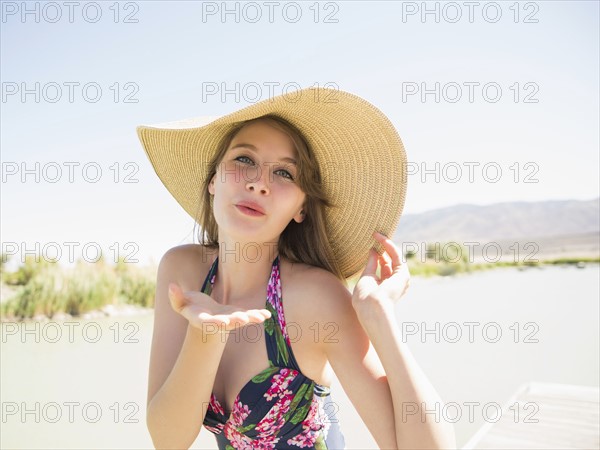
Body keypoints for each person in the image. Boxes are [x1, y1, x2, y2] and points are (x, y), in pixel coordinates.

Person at [137, 87, 456, 449]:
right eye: (244, 160)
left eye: (285, 174)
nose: (259, 182)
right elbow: (167, 440)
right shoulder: (182, 270)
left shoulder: (313, 298)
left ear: (301, 209)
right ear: (213, 181)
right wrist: (205, 336)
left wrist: (378, 317)